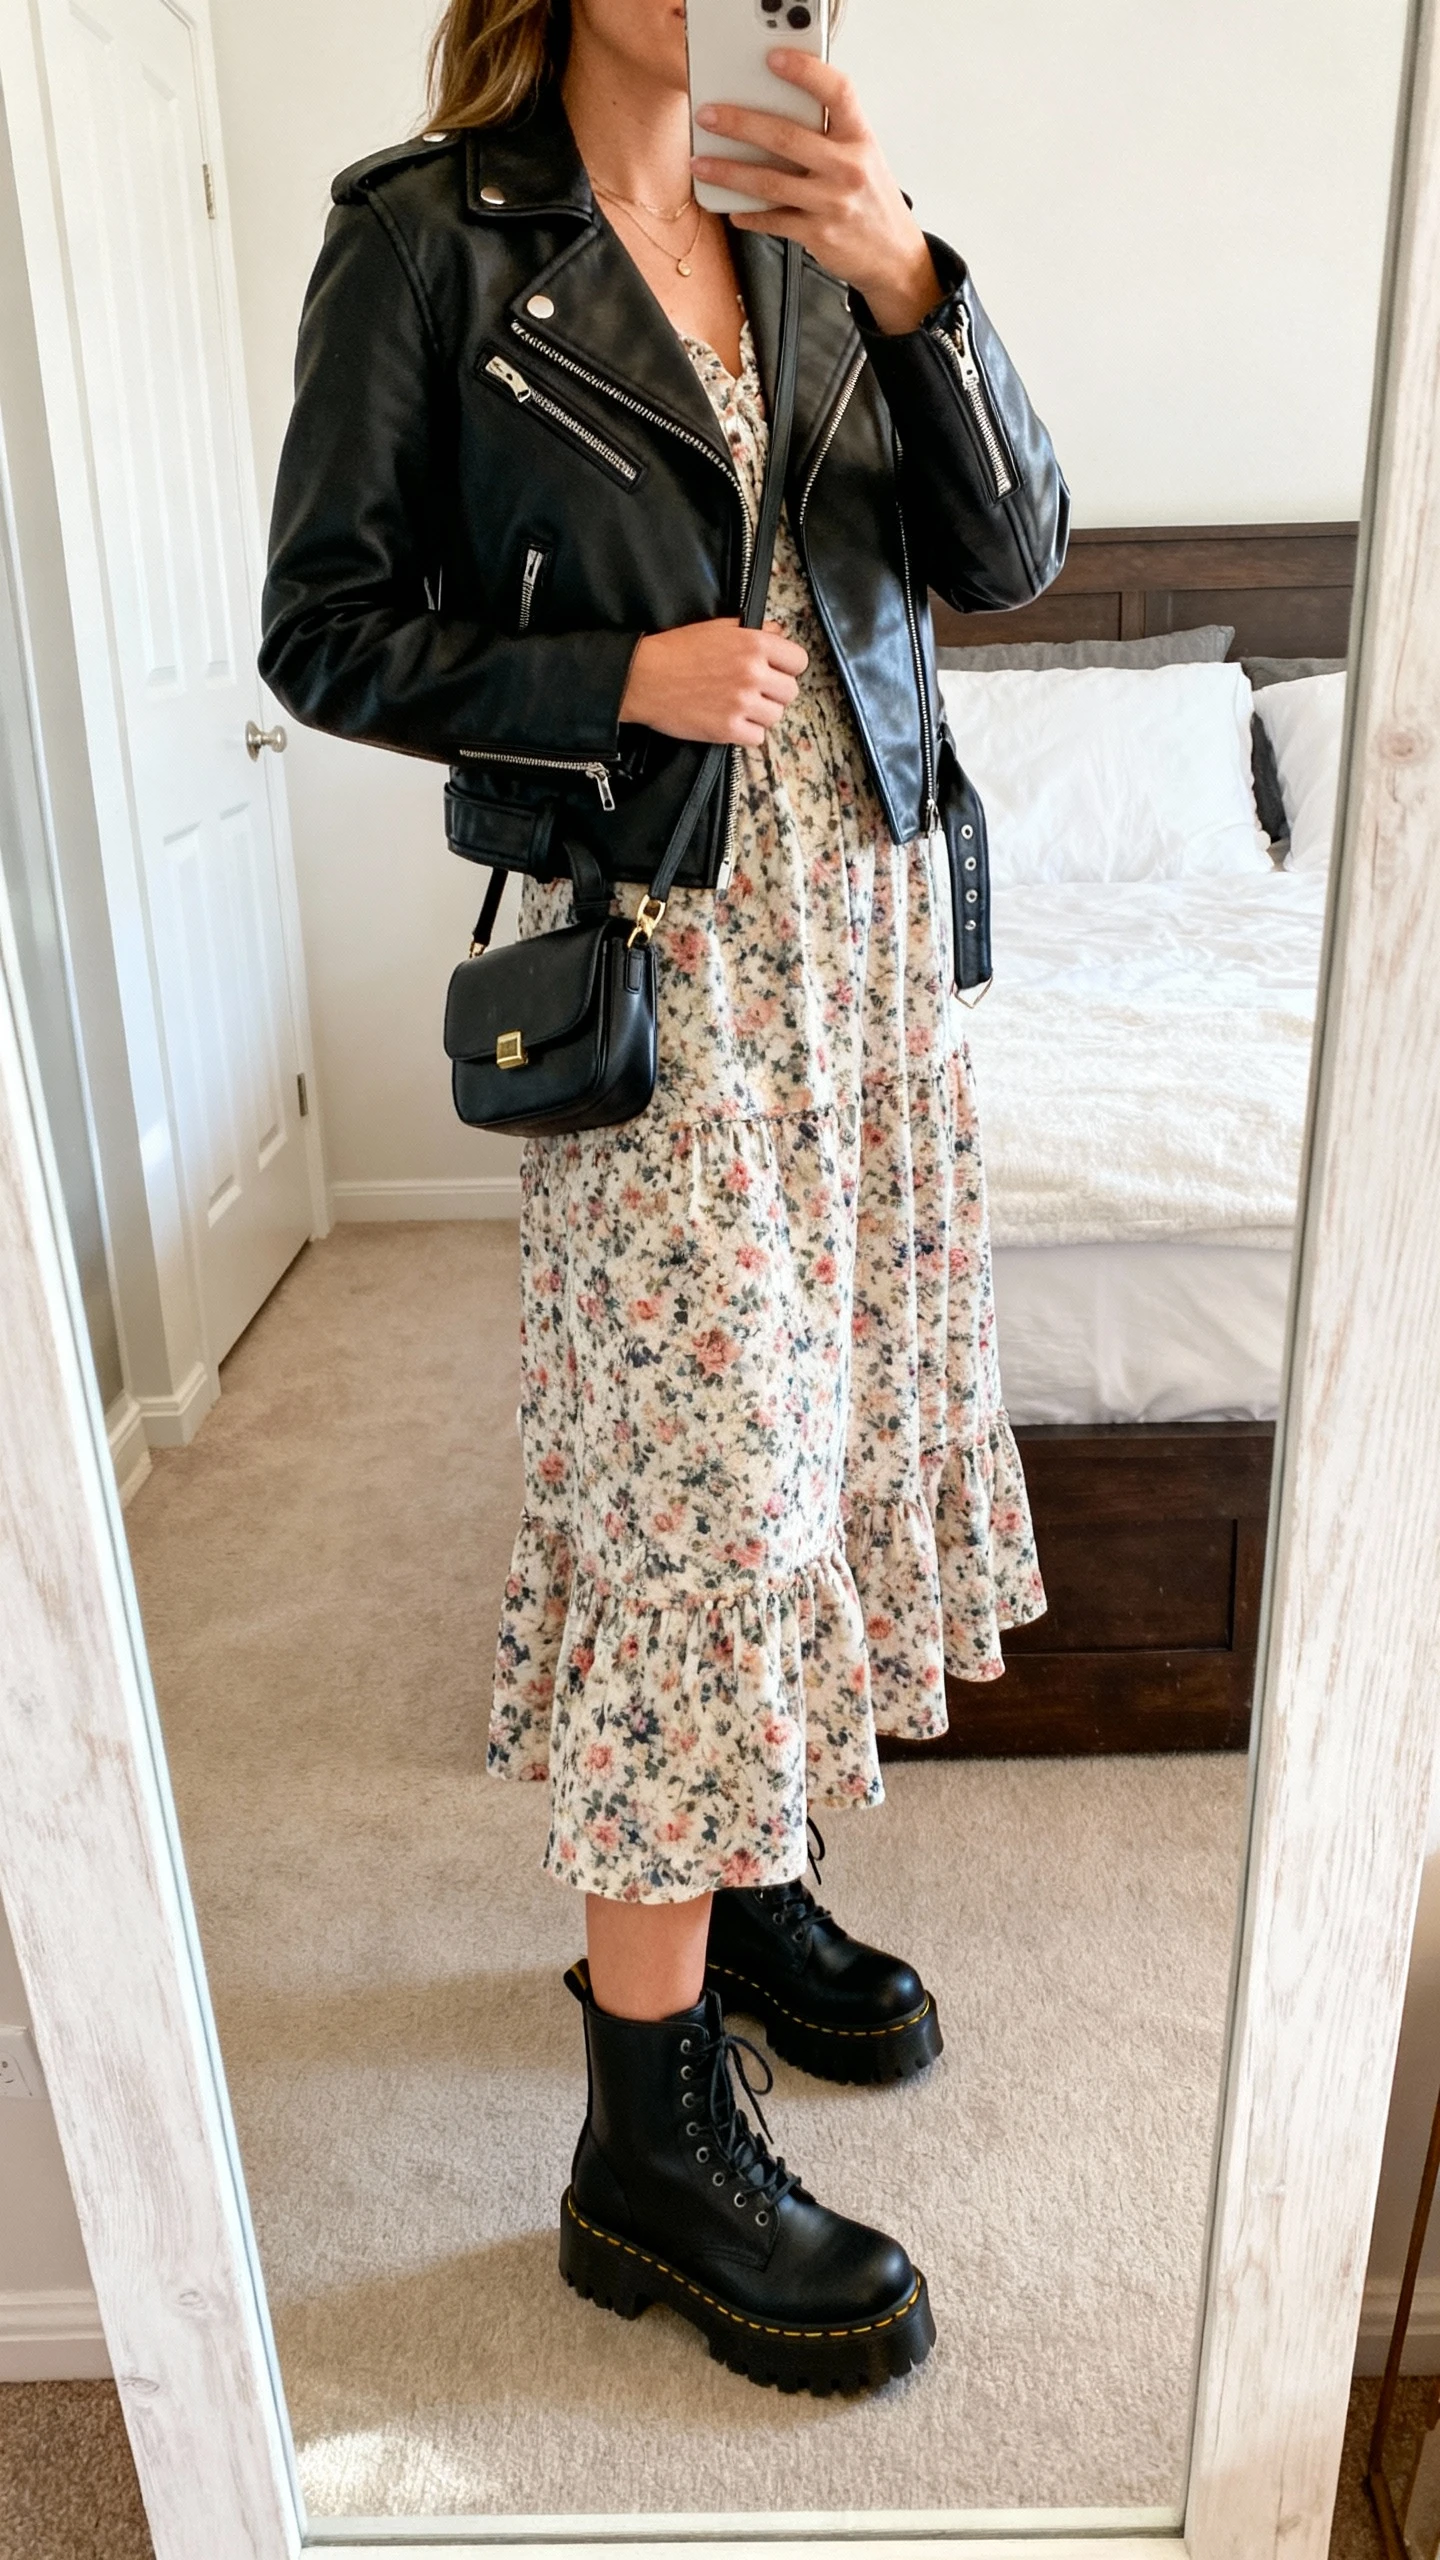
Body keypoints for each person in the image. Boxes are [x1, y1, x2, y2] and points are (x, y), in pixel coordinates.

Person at [261, 0, 1067, 2396]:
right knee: (702, 1508)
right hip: (667, 964)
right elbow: (323, 626)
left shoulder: (822, 223)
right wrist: (615, 669)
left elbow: (1005, 551)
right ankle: (644, 2140)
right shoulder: (424, 244)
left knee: (815, 1467)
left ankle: (754, 1882)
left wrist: (916, 277)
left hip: (871, 941)